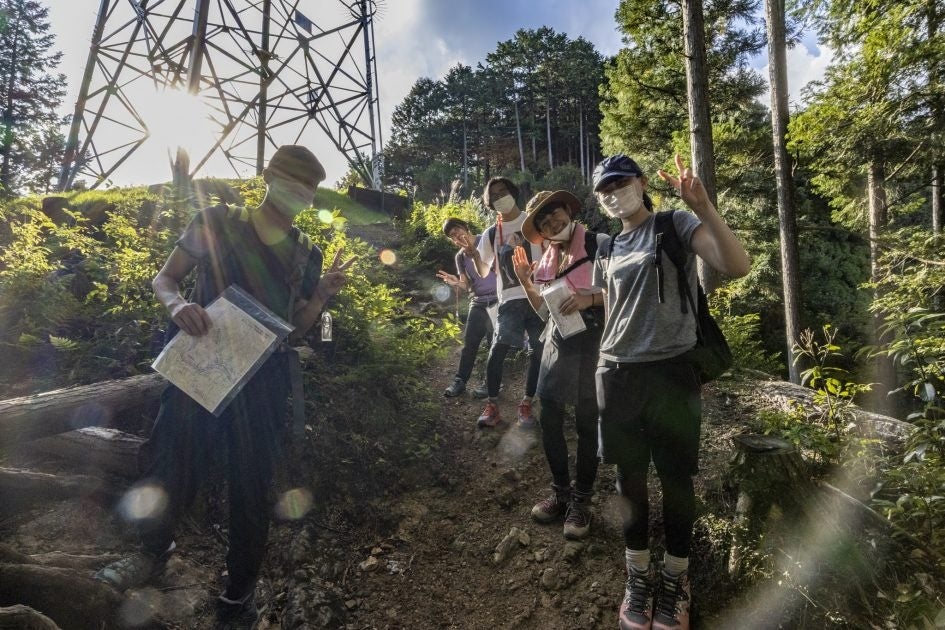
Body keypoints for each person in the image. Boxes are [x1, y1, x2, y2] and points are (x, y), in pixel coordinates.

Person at [94, 145, 354, 629]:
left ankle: (239, 593)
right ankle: (151, 551)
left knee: (252, 485)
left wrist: (320, 296)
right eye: (292, 181)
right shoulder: (217, 220)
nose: (299, 193)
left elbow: (294, 329)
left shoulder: (306, 253)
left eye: (309, 188)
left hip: (263, 380)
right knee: (173, 460)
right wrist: (176, 307)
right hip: (201, 367)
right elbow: (166, 278)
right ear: (267, 176)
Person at [592, 154, 750, 630]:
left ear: (642, 182)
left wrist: (703, 206)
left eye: (621, 182)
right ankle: (637, 577)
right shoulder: (608, 247)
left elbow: (736, 264)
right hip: (616, 373)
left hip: (671, 373)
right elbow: (614, 309)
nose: (614, 192)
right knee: (630, 480)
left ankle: (676, 579)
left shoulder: (674, 224)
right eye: (604, 189)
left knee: (676, 479)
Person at [511, 190, 607, 540]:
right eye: (544, 221)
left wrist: (591, 298)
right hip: (555, 343)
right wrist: (525, 279)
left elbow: (627, 292)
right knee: (549, 417)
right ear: (541, 231)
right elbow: (543, 309)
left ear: (568, 209)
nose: (553, 222)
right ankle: (561, 492)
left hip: (593, 344)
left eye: (555, 213)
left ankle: (581, 500)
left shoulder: (600, 244)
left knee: (586, 421)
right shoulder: (547, 260)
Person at [472, 177, 545, 428]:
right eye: (493, 196)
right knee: (498, 350)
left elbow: (551, 255)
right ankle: (492, 405)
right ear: (490, 204)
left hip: (537, 296)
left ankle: (526, 403)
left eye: (503, 192)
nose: (499, 197)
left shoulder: (533, 222)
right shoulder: (491, 233)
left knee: (539, 349)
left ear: (513, 192)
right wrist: (473, 255)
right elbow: (483, 271)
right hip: (509, 300)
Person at [436, 217, 497, 398]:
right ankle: (460, 381)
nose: (456, 237)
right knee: (469, 344)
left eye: (457, 231)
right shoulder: (460, 256)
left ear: (466, 227)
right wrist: (457, 283)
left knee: (495, 345)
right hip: (478, 302)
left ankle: (491, 383)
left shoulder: (486, 241)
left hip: (498, 300)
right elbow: (468, 285)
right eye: (452, 236)